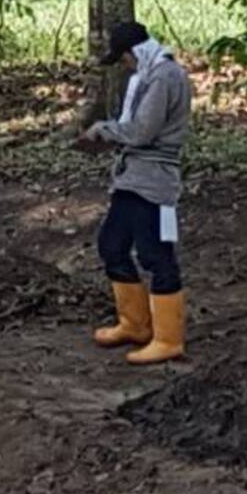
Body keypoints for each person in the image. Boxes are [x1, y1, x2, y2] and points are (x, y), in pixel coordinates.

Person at [78, 21, 192, 365]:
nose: (126, 66)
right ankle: (135, 323)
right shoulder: (147, 76)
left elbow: (142, 130)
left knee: (157, 255)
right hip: (131, 178)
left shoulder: (164, 77)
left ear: (135, 52)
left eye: (125, 59)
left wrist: (104, 131)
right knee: (112, 245)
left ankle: (169, 338)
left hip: (155, 181)